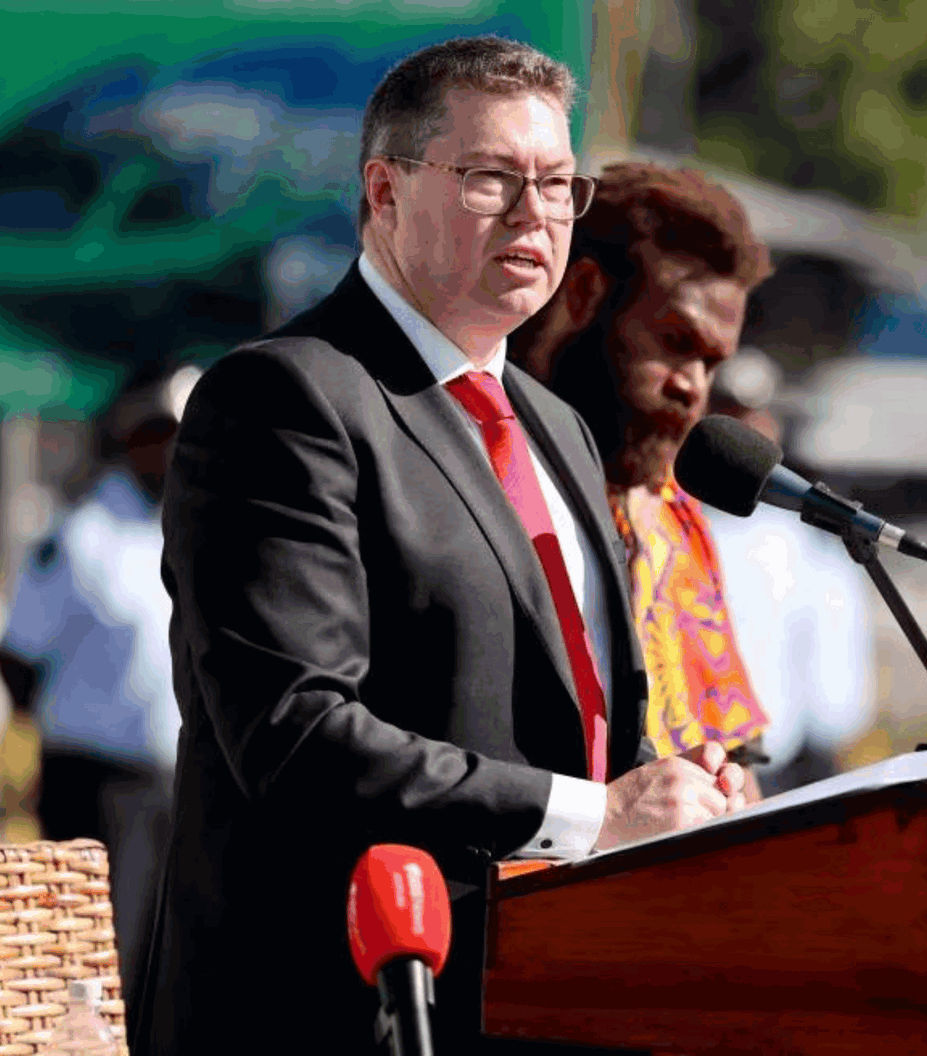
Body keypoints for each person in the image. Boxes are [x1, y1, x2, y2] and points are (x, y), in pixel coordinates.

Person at [135, 37, 749, 1056]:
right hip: (334, 1006)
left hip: (548, 986)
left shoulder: (555, 425)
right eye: (491, 178)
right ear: (383, 189)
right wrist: (591, 813)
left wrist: (667, 790)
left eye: (557, 183)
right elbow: (293, 734)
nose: (535, 212)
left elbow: (577, 730)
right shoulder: (288, 397)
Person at [512, 162, 775, 773]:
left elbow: (735, 757)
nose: (695, 391)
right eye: (677, 342)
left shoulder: (676, 519)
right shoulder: (474, 469)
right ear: (582, 294)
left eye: (713, 364)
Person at [0, 365, 194, 1009]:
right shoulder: (82, 534)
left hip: (180, 782)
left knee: (165, 966)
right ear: (130, 437)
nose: (170, 449)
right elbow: (21, 658)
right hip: (99, 784)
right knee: (95, 965)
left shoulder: (188, 528)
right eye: (158, 432)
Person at [696, 348, 877, 793]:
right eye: (728, 414)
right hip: (694, 766)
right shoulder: (664, 520)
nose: (747, 429)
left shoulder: (799, 535)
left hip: (784, 766)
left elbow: (836, 681)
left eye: (757, 416)